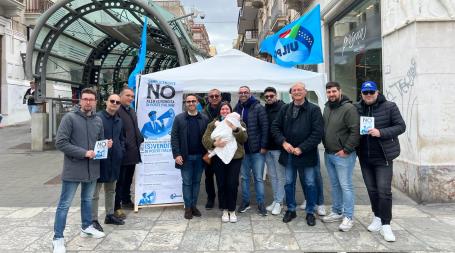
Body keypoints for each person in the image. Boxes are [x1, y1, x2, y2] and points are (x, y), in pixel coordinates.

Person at [52, 88, 108, 253]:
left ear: (95, 101)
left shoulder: (98, 120)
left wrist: (105, 145)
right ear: (80, 101)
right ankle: (58, 238)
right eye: (85, 99)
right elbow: (60, 143)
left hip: (92, 170)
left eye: (91, 99)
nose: (88, 102)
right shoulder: (69, 118)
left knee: (87, 200)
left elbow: (100, 142)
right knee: (64, 205)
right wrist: (84, 153)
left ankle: (86, 227)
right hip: (74, 169)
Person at [355, 81, 406, 242]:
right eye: (365, 93)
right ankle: (377, 217)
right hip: (365, 156)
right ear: (361, 94)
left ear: (377, 92)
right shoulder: (357, 108)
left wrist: (381, 132)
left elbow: (401, 126)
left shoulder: (390, 106)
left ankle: (386, 225)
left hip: (383, 156)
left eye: (371, 92)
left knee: (384, 191)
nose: (368, 95)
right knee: (372, 190)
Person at [271, 82, 323, 226]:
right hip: (288, 154)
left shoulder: (314, 109)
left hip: (307, 154)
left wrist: (302, 148)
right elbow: (275, 127)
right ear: (291, 93)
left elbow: (317, 133)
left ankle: (310, 212)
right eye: (294, 90)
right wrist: (283, 142)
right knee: (289, 183)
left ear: (305, 92)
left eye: (300, 90)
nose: (297, 92)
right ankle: (291, 209)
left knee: (310, 183)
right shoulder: (285, 109)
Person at [321, 81, 360, 232]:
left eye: (333, 92)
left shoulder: (349, 108)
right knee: (335, 185)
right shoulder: (327, 107)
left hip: (343, 155)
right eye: (329, 92)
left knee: (346, 186)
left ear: (340, 91)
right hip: (329, 153)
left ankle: (348, 216)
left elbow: (355, 131)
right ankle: (337, 211)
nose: (331, 94)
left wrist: (347, 150)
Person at [202, 102, 247, 222]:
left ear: (231, 111)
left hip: (235, 158)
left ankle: (232, 210)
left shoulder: (239, 123)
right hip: (219, 158)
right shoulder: (213, 124)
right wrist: (214, 143)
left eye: (227, 109)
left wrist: (234, 128)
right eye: (222, 109)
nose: (225, 111)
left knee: (232, 184)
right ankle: (225, 209)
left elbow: (243, 139)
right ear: (219, 111)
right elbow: (205, 139)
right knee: (221, 184)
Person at [171, 94, 209, 219]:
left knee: (197, 182)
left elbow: (208, 138)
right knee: (187, 183)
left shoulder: (204, 118)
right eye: (188, 101)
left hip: (200, 157)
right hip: (185, 158)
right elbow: (174, 137)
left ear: (197, 102)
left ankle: (193, 206)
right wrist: (176, 154)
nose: (191, 103)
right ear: (185, 103)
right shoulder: (179, 118)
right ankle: (187, 207)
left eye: (193, 101)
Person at [91, 94, 125, 233]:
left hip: (114, 161)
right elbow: (90, 138)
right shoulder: (97, 118)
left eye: (117, 102)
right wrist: (103, 146)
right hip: (99, 161)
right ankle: (93, 219)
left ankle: (109, 215)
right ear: (106, 102)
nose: (114, 103)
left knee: (111, 190)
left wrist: (120, 150)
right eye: (112, 101)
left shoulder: (119, 120)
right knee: (94, 193)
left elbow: (121, 138)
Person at [234, 86, 269, 216]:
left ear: (250, 93)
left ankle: (261, 203)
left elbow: (265, 127)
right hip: (243, 151)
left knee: (259, 178)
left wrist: (264, 146)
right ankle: (246, 202)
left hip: (257, 151)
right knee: (244, 178)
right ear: (238, 94)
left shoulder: (258, 107)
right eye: (241, 92)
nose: (243, 94)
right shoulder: (237, 109)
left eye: (245, 92)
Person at [115, 87, 144, 219]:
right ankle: (117, 207)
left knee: (128, 179)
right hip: (122, 153)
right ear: (120, 96)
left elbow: (134, 128)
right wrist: (123, 146)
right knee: (120, 181)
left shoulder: (131, 111)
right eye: (128, 96)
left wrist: (140, 138)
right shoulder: (117, 110)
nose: (131, 98)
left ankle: (126, 200)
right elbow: (117, 133)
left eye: (132, 96)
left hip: (133, 152)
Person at [263, 87, 286, 215]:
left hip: (278, 148)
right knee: (272, 176)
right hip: (268, 148)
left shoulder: (283, 108)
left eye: (271, 96)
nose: (269, 98)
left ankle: (280, 202)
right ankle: (276, 199)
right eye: (266, 96)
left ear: (276, 95)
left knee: (280, 176)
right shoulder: (265, 109)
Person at [202, 88, 222, 209]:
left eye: (216, 96)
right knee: (208, 176)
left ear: (220, 97)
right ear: (208, 98)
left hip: (222, 149)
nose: (214, 98)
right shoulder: (204, 112)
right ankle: (210, 198)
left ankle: (221, 198)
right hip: (208, 150)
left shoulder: (226, 110)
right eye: (211, 96)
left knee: (221, 176)